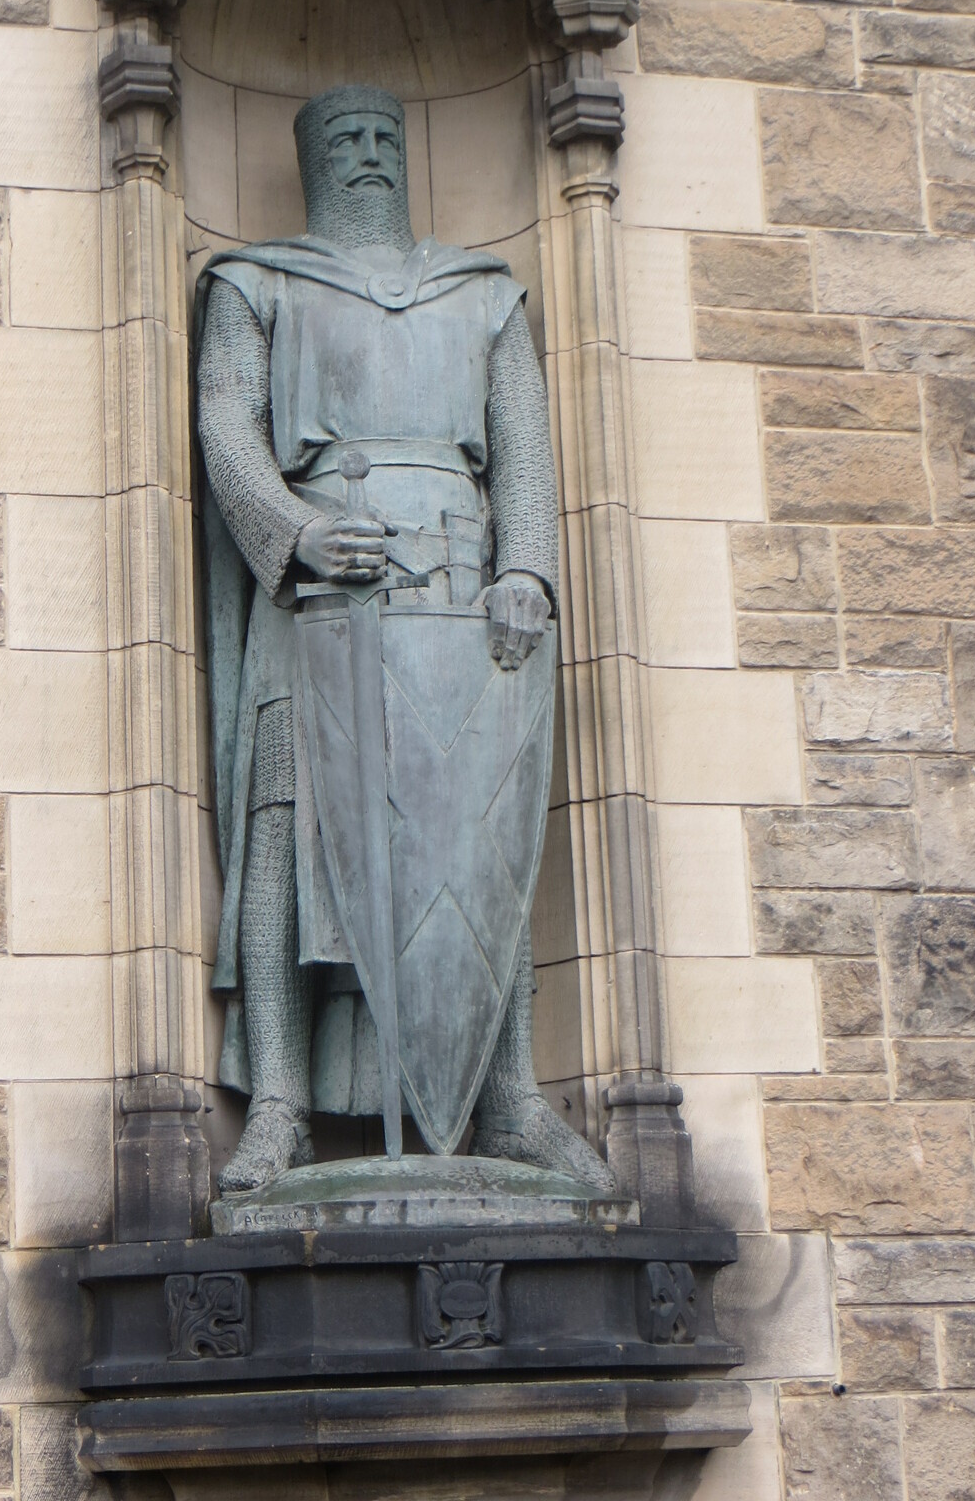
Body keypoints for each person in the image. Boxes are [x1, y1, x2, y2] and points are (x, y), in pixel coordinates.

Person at [195, 83, 613, 1195]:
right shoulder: (257, 283)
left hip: (464, 611)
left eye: (386, 134)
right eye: (348, 138)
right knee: (287, 840)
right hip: (321, 606)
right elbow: (228, 429)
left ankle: (512, 1100)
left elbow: (524, 452)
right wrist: (298, 532)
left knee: (485, 841)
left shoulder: (483, 294)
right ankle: (279, 1107)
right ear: (315, 161)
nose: (371, 151)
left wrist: (528, 570)